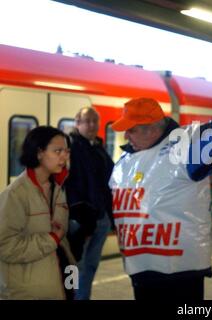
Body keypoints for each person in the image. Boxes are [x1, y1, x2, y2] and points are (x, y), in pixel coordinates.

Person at [109, 97, 212, 300]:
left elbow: (211, 143)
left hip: (179, 270)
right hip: (141, 265)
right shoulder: (126, 160)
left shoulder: (182, 148)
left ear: (151, 129)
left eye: (131, 130)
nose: (125, 135)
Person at [0, 126, 75, 299]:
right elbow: (5, 246)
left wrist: (73, 281)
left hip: (63, 284)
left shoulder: (58, 188)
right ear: (39, 153)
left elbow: (62, 240)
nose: (64, 156)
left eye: (66, 151)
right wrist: (51, 239)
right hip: (27, 293)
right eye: (58, 151)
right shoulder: (16, 194)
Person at [65, 107, 114, 300]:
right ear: (77, 124)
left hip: (100, 219)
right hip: (80, 220)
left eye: (95, 121)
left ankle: (83, 298)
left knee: (91, 265)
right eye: (87, 121)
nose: (92, 125)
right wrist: (77, 211)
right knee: (75, 265)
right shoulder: (71, 148)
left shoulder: (98, 148)